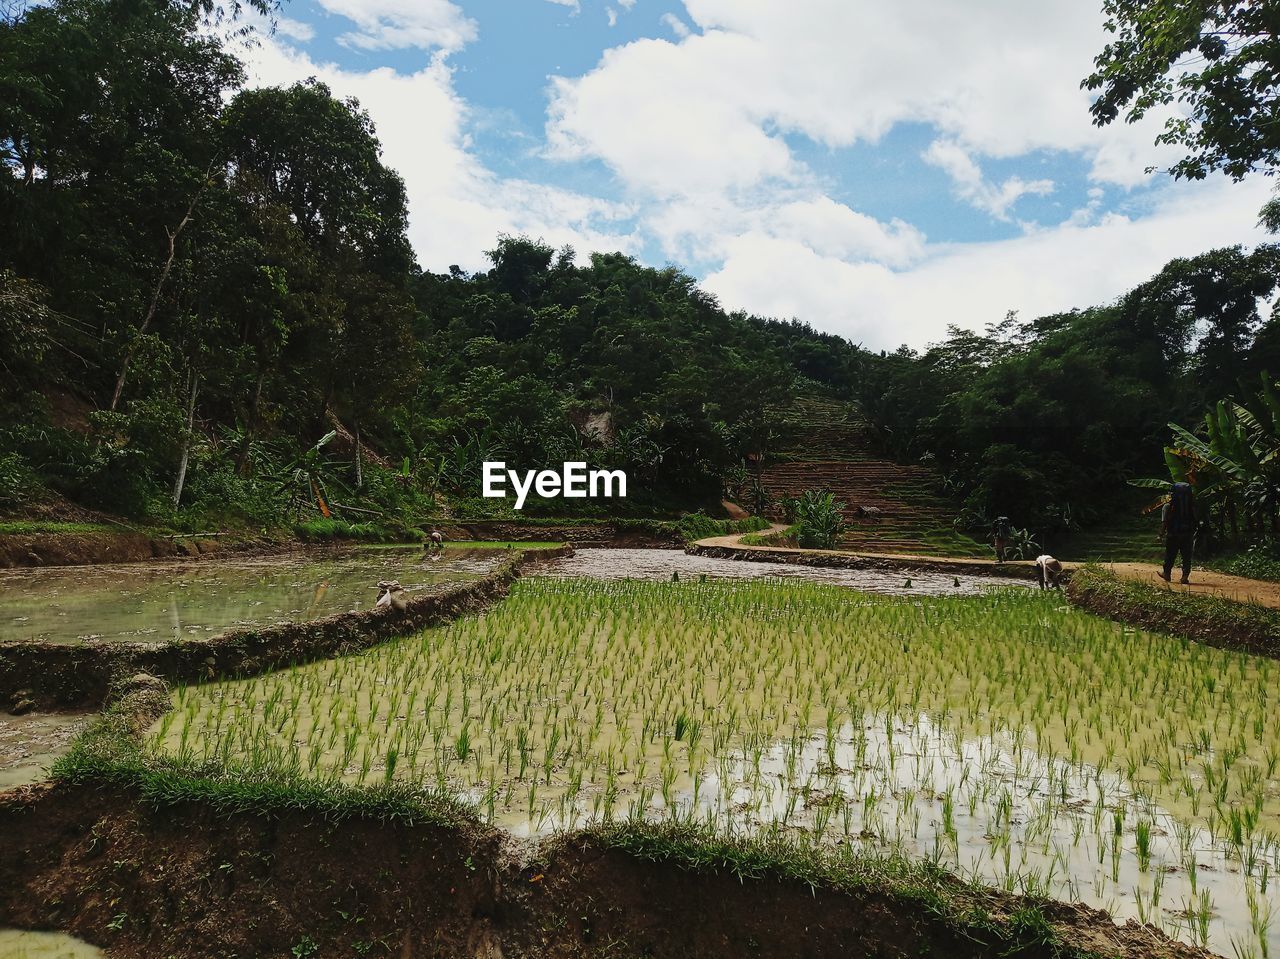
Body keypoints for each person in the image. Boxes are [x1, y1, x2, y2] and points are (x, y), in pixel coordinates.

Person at [1160, 482, 1196, 585]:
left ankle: (1167, 573)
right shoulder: (1192, 506)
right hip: (1187, 534)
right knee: (1186, 556)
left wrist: (1161, 534)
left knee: (1170, 555)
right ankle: (1184, 576)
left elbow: (1165, 522)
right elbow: (1195, 518)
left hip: (1173, 534)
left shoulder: (1167, 506)